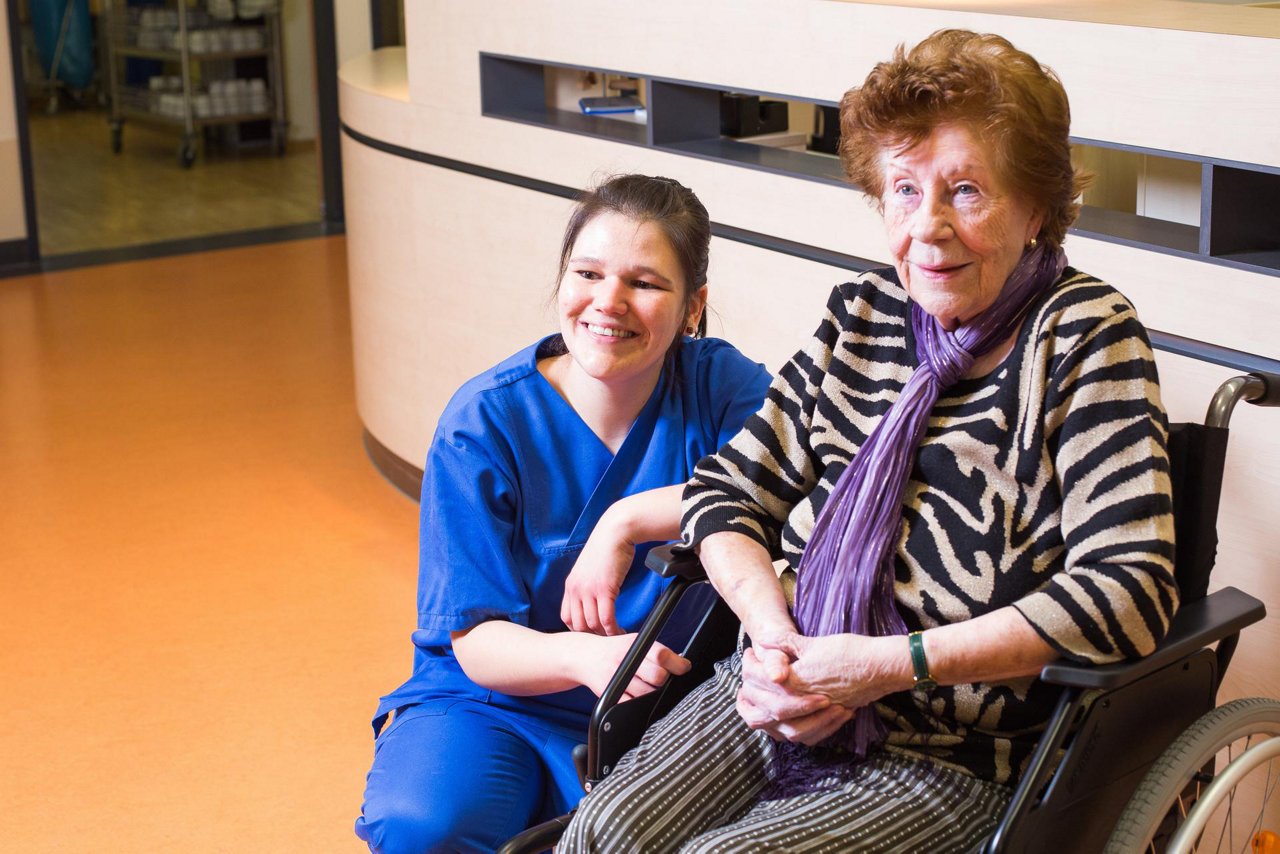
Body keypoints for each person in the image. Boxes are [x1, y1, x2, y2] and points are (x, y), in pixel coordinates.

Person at [561, 30, 1177, 852]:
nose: (929, 228)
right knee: (603, 829)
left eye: (966, 191)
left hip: (953, 752)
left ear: (1036, 207)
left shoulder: (1086, 338)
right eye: (904, 188)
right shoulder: (864, 314)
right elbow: (726, 493)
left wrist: (888, 665)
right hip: (781, 685)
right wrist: (772, 637)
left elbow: (1128, 591)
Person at [353, 174, 772, 853]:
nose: (609, 303)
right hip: (497, 704)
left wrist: (625, 520)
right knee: (424, 826)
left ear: (693, 308)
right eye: (588, 273)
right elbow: (477, 642)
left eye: (645, 283)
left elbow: (789, 477)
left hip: (665, 713)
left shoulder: (720, 387)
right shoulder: (483, 423)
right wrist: (586, 657)